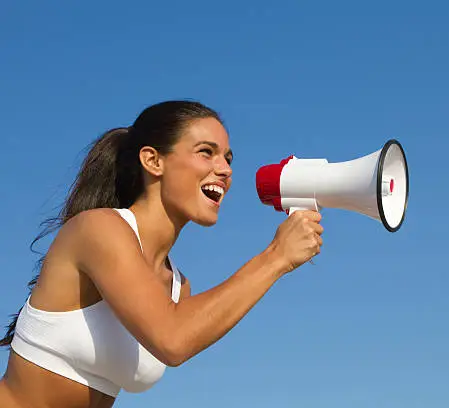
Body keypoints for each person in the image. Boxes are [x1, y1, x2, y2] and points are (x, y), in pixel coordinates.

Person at [0, 100, 324, 408]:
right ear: (153, 161)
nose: (224, 169)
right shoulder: (99, 229)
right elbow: (172, 340)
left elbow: (180, 331)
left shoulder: (177, 288)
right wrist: (276, 257)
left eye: (228, 158)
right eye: (206, 153)